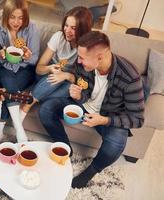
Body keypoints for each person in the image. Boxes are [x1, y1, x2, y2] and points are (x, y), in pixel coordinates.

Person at [39, 31, 145, 188]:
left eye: (82, 58)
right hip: (84, 108)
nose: (78, 61)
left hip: (107, 117)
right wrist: (79, 96)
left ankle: (91, 171)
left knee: (116, 143)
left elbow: (138, 119)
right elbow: (85, 89)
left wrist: (105, 120)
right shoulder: (84, 65)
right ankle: (65, 148)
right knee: (46, 109)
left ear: (100, 57)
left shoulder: (130, 77)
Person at [21, 6, 93, 114]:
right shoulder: (59, 37)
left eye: (73, 28)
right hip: (46, 76)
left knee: (70, 88)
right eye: (66, 25)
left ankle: (33, 94)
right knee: (54, 79)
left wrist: (66, 75)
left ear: (82, 30)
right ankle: (26, 106)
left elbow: (83, 82)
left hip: (67, 80)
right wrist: (50, 68)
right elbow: (39, 69)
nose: (67, 31)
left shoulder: (88, 48)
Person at [0, 0, 40, 143]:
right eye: (12, 17)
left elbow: (35, 59)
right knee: (7, 80)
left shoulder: (32, 29)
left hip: (25, 69)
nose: (16, 22)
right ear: (6, 16)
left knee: (6, 90)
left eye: (21, 18)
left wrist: (28, 57)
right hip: (4, 68)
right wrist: (0, 56)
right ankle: (19, 130)